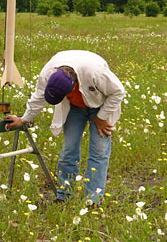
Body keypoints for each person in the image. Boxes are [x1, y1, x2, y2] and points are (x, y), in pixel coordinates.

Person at [8, 50, 125, 204]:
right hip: (74, 107)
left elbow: (118, 92)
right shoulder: (48, 73)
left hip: (100, 106)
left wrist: (101, 117)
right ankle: (65, 195)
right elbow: (39, 97)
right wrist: (23, 120)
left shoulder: (95, 72)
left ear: (74, 86)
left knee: (99, 151)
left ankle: (93, 201)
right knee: (69, 149)